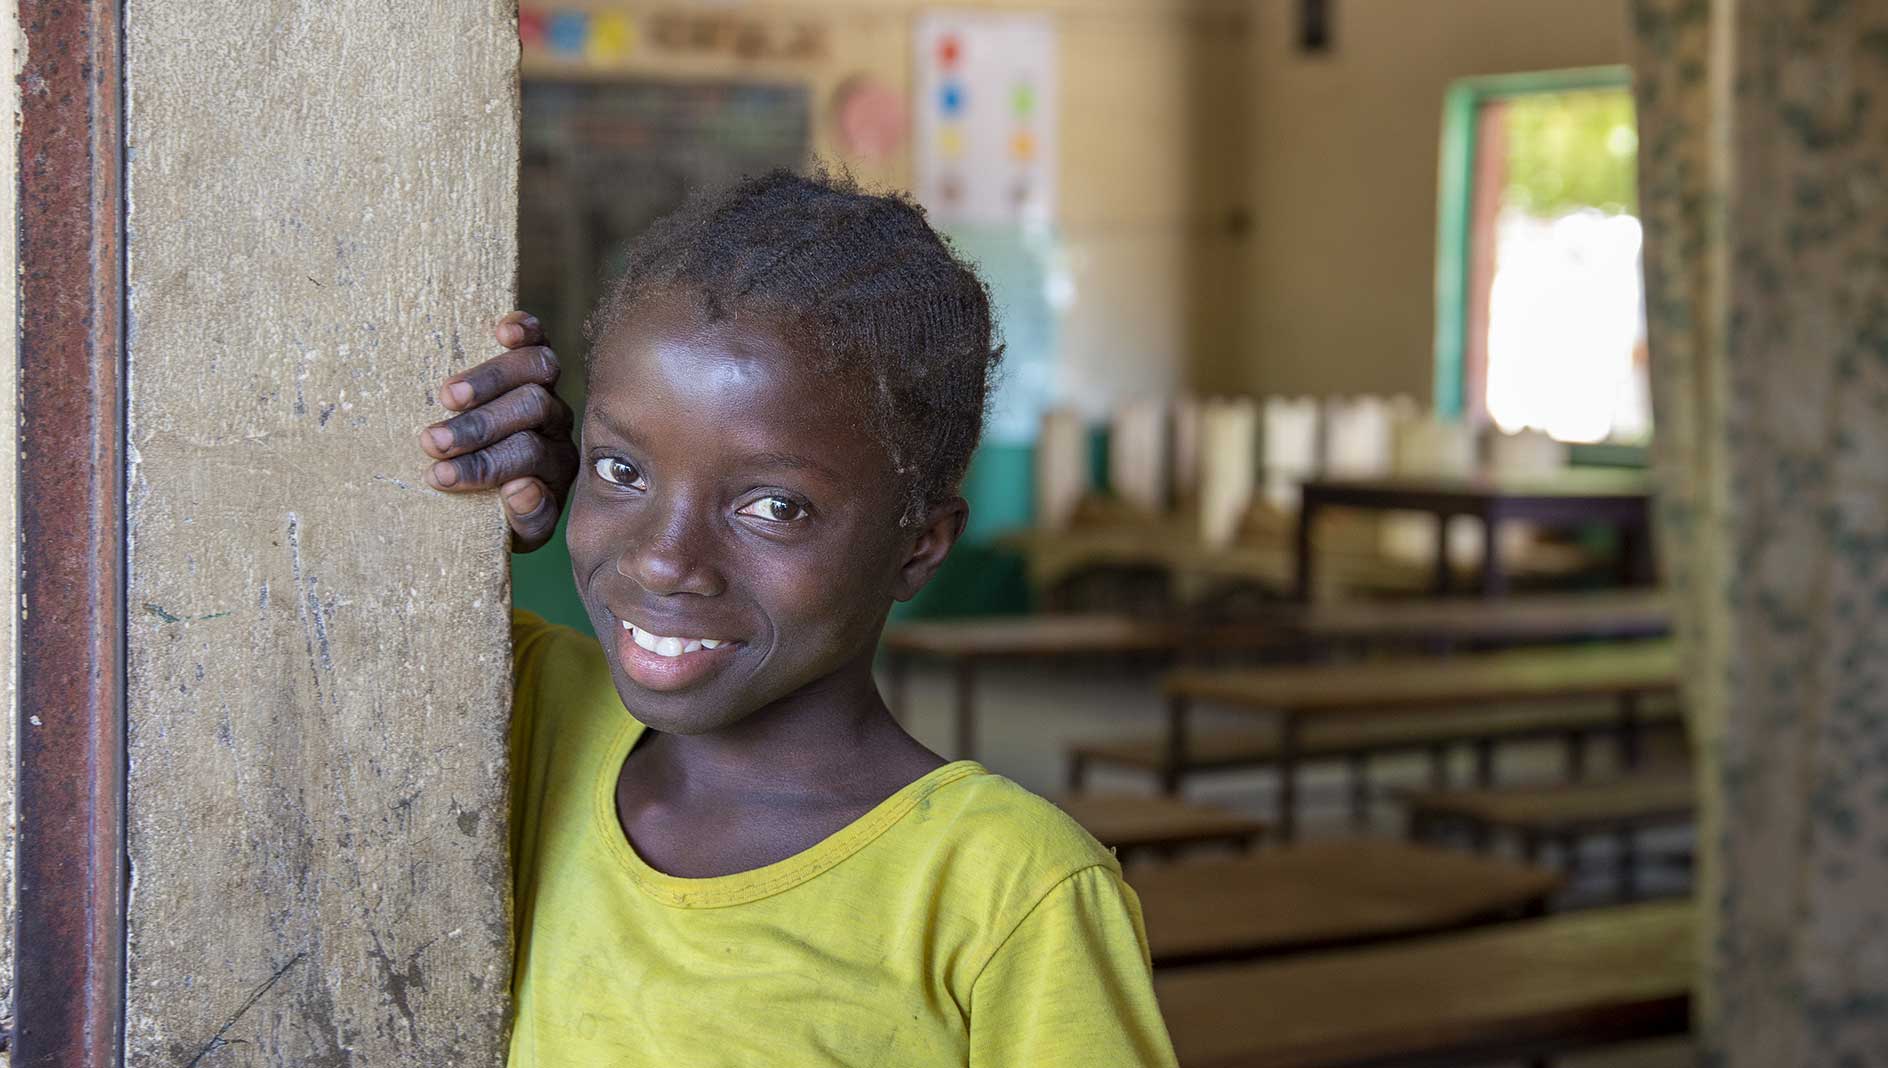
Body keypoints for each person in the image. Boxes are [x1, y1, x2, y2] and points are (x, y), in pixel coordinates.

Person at [419, 170, 1178, 1066]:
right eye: (623, 471)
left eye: (774, 506)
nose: (664, 558)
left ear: (920, 546)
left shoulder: (1004, 895)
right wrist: (450, 515)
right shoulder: (529, 713)